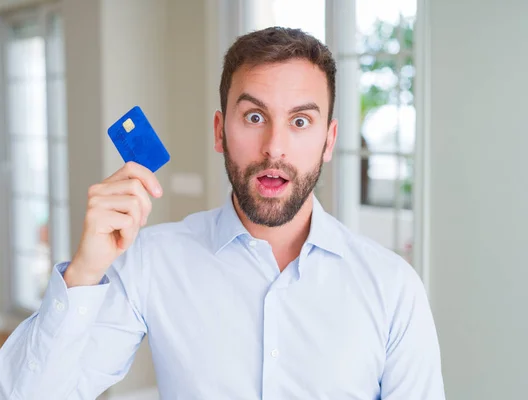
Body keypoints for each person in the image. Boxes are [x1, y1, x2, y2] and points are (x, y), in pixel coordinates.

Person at [0, 27, 445, 399]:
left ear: (328, 142)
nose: (274, 146)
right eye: (254, 117)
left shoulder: (393, 288)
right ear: (220, 131)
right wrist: (83, 273)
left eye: (300, 121)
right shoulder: (151, 261)